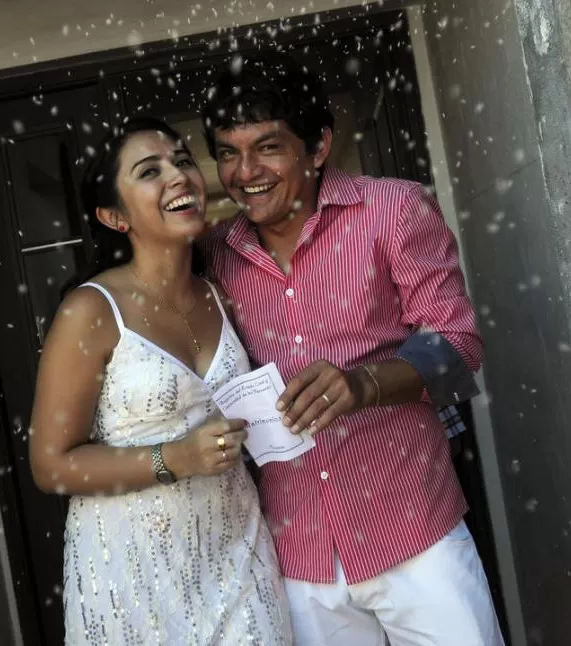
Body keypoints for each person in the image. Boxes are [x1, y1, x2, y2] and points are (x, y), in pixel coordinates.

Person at [199, 53, 505, 645]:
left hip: (413, 528)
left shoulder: (391, 209)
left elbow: (459, 346)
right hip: (297, 549)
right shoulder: (215, 255)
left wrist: (364, 384)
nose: (245, 171)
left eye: (268, 147)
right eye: (228, 152)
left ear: (318, 148)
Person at [28, 117, 292, 645]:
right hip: (133, 577)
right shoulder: (91, 311)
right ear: (113, 215)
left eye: (183, 161)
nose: (179, 176)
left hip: (240, 556)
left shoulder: (220, 291)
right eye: (151, 171)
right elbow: (51, 464)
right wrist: (173, 459)